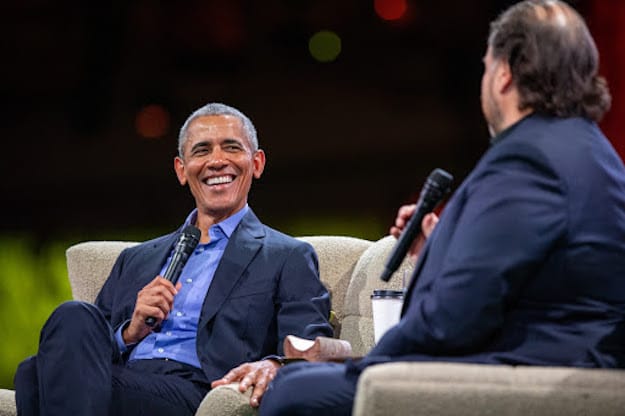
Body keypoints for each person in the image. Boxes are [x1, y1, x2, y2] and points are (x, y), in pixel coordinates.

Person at [258, 1, 625, 414]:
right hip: (562, 361)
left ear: (504, 73)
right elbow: (524, 272)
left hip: (532, 374)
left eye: (486, 67)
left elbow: (455, 316)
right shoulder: (593, 152)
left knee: (292, 392)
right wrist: (446, 244)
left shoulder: (529, 159)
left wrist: (370, 364)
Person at [14, 102, 333, 415]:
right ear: (182, 170)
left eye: (231, 147)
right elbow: (85, 344)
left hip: (198, 390)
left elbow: (309, 344)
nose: (217, 161)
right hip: (121, 381)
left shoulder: (286, 255)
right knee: (71, 318)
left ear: (257, 163)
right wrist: (129, 333)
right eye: (202, 150)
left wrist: (273, 363)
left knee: (37, 378)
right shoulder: (135, 259)